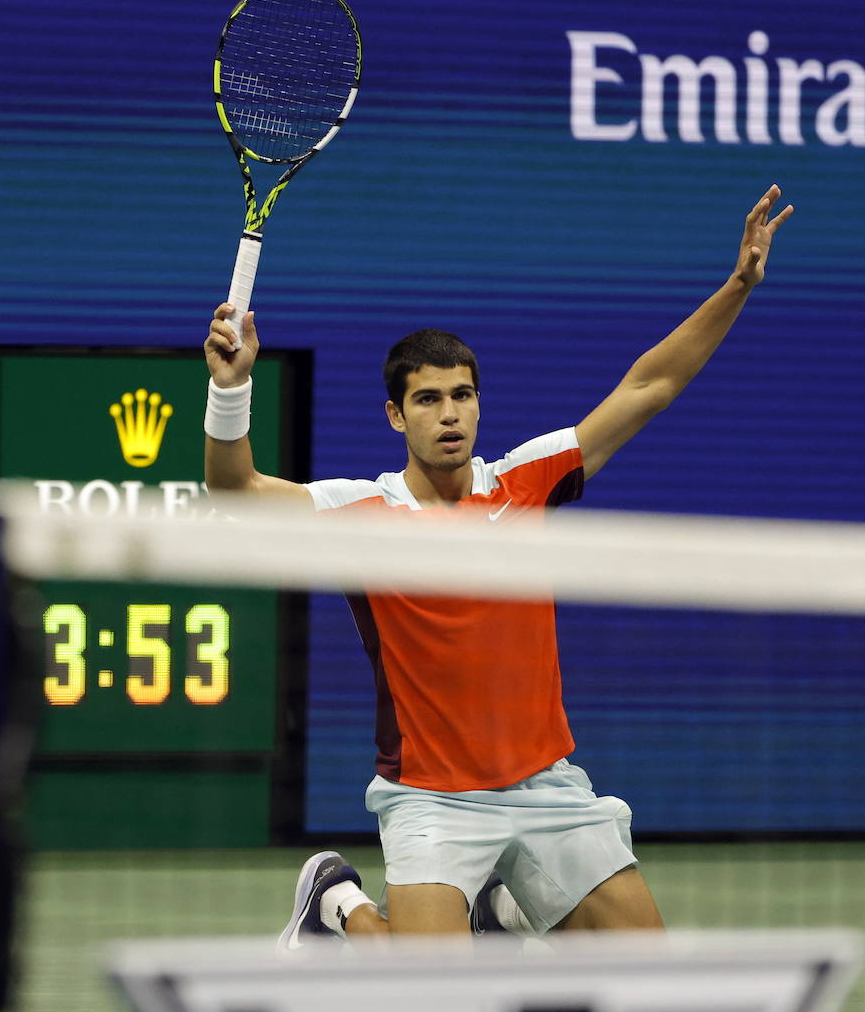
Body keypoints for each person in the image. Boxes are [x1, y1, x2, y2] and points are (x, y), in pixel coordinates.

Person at [204, 186, 793, 946]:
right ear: (395, 414)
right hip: (432, 799)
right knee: (435, 1010)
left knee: (650, 972)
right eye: (427, 399)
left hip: (547, 789)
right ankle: (338, 900)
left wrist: (737, 286)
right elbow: (237, 490)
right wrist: (230, 387)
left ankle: (500, 911)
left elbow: (650, 385)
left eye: (462, 395)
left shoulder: (527, 481)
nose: (449, 413)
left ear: (479, 404)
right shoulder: (361, 515)